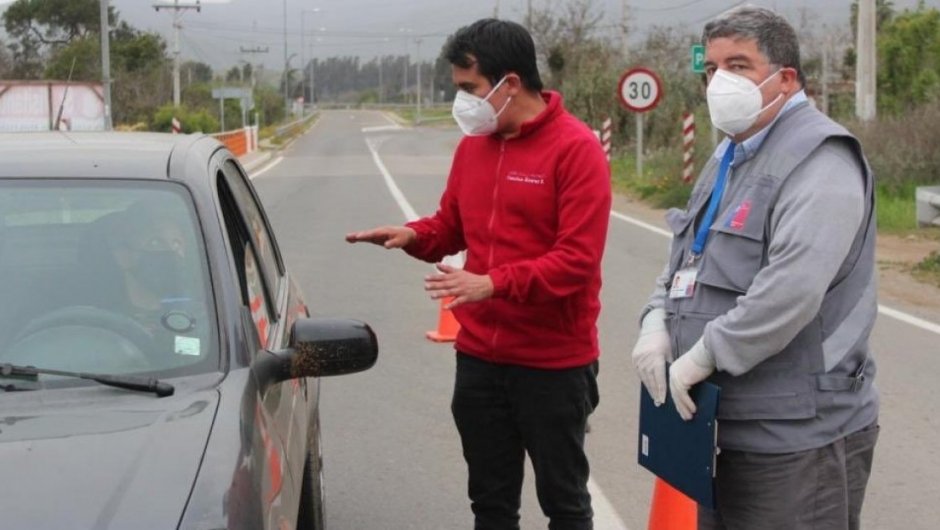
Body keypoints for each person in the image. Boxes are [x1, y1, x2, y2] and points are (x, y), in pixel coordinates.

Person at [346, 18, 611, 530]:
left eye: (470, 88)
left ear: (510, 84)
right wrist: (413, 236)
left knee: (566, 504)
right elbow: (451, 225)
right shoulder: (474, 146)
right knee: (490, 505)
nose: (462, 101)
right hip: (480, 361)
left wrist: (492, 283)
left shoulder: (575, 150)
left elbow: (577, 260)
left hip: (553, 364)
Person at [631, 6, 879, 529]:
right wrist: (655, 321)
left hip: (797, 437)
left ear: (785, 78)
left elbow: (791, 290)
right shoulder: (729, 155)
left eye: (739, 66)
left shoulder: (821, 159)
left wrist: (704, 355)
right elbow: (687, 255)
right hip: (725, 427)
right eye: (712, 69)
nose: (720, 81)